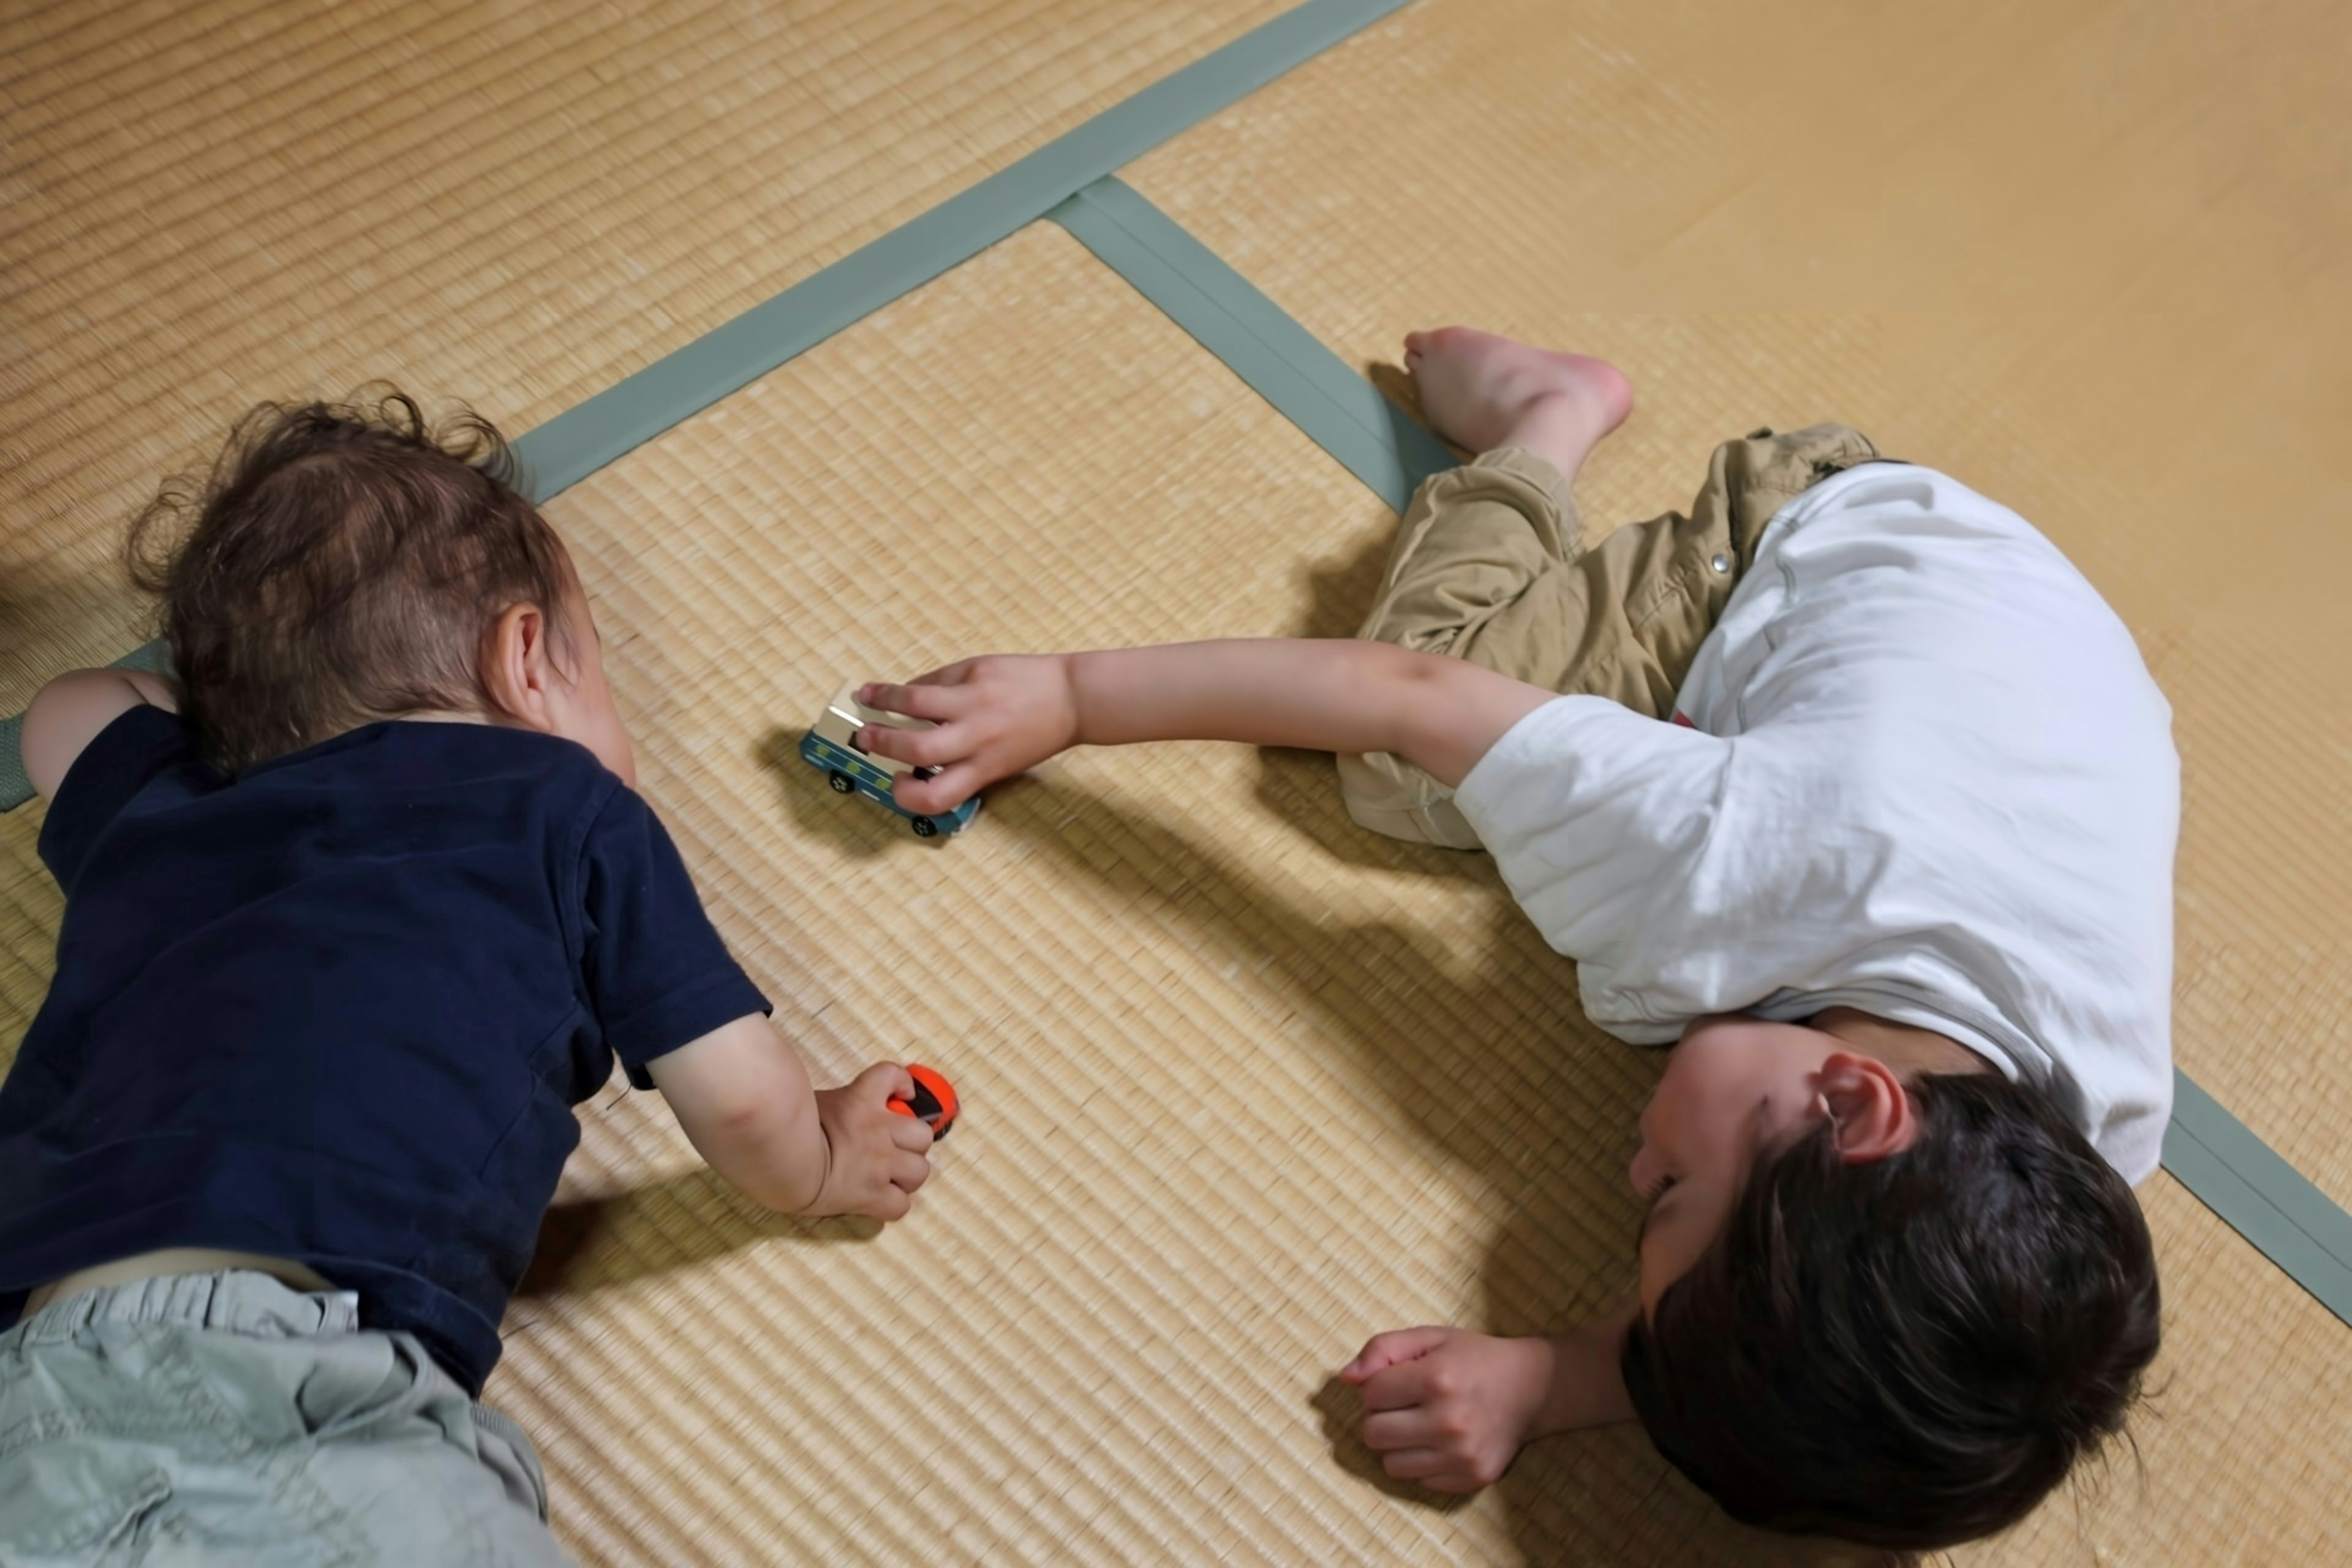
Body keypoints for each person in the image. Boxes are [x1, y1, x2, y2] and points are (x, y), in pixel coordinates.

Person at [853, 327, 2172, 1550]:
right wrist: (1074, 698)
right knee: (1395, 776)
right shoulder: (1722, 858)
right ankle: (1548, 416)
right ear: (1848, 1094)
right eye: (1669, 1193)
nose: (1627, 1172)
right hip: (1813, 535)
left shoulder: (2082, 1179)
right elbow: (1409, 695)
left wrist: (1557, 1377)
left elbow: (1821, 1321)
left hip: (2039, 653)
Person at [0, 394, 936, 1564]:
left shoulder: (169, 817)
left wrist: (254, 711)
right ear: (528, 659)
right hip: (276, 1381)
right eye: (601, 677)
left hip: (29, 1366)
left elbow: (72, 706)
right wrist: (830, 1159)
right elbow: (747, 1103)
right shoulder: (566, 809)